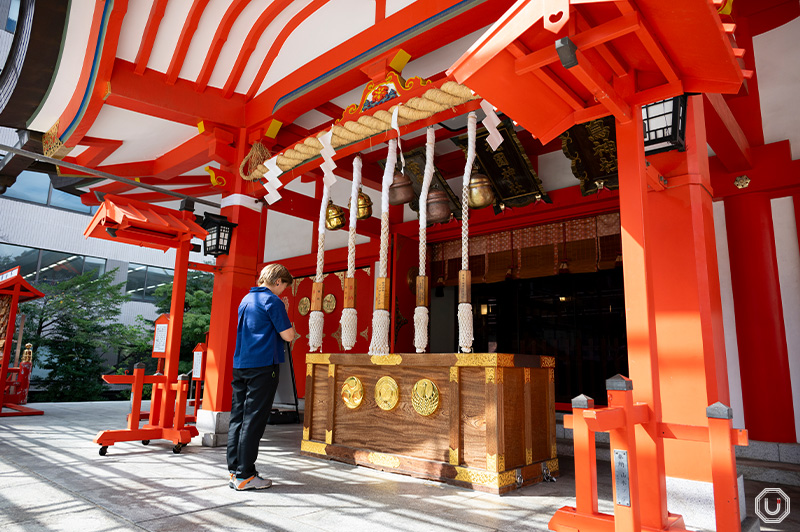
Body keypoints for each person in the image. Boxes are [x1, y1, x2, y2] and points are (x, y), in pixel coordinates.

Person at [227, 263, 295, 490]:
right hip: (263, 365)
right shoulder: (272, 301)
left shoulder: (246, 299)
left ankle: (235, 471)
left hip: (241, 364)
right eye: (283, 286)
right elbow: (288, 335)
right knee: (254, 419)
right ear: (278, 282)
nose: (282, 291)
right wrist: (292, 332)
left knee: (238, 417)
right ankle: (246, 474)